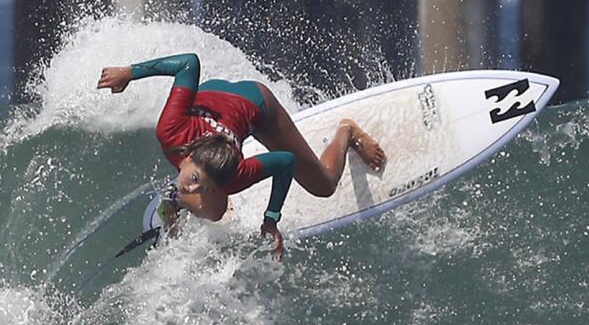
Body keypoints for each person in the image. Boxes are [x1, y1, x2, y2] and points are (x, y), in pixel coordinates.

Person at [96, 52, 386, 260]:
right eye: (195, 178)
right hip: (212, 96)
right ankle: (175, 203)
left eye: (204, 186)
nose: (192, 186)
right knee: (204, 205)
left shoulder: (234, 176)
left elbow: (285, 161)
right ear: (189, 158)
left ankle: (347, 132)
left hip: (258, 105)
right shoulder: (171, 129)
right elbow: (189, 62)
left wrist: (271, 219)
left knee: (323, 186)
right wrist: (129, 73)